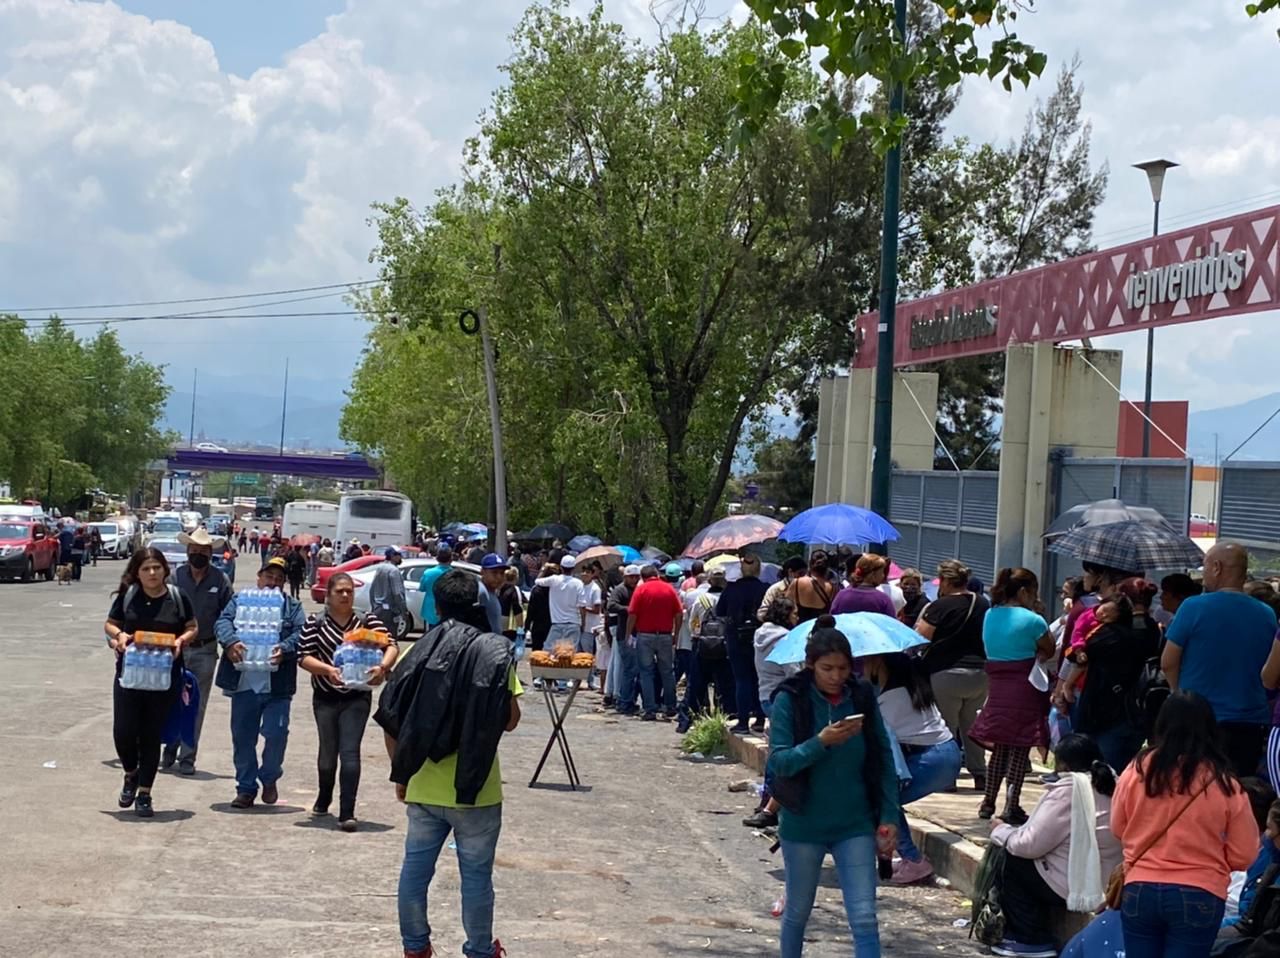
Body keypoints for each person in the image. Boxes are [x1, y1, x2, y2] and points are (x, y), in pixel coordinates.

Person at [376, 570, 520, 958]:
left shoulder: (415, 652)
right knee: (476, 878)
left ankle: (415, 947)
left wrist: (401, 773)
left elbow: (391, 716)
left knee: (415, 873)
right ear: (476, 604)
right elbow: (510, 718)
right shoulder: (494, 651)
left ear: (435, 607)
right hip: (478, 790)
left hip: (423, 785)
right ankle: (479, 950)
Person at [767, 624, 900, 957]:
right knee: (797, 912)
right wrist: (820, 743)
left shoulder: (862, 695)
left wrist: (888, 815)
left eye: (843, 668)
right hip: (803, 824)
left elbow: (884, 758)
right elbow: (780, 763)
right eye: (827, 669)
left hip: (854, 823)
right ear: (810, 665)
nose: (836, 676)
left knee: (865, 917)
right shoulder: (791, 698)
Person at [1110, 690, 1259, 958]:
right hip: (1200, 893)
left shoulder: (1137, 770)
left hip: (1140, 887)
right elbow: (1245, 854)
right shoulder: (1225, 784)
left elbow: (1118, 828)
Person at [985, 734, 1123, 958]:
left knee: (1011, 858)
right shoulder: (1116, 783)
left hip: (1078, 886)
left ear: (1063, 765)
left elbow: (1029, 844)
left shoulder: (1068, 790)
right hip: (1109, 882)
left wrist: (1000, 830)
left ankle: (1028, 938)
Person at [1166, 542, 1277, 778]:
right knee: (1237, 790)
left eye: (1205, 566)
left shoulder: (1192, 607)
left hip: (1196, 718)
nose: (1203, 572)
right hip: (1249, 722)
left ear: (1217, 567)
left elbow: (1168, 661)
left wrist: (1178, 692)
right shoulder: (1267, 614)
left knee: (1192, 789)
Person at [297, 571, 397, 831]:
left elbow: (392, 646)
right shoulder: (316, 622)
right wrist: (328, 670)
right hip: (325, 697)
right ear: (328, 594)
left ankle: (347, 812)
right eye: (339, 591)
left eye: (349, 591)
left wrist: (382, 668)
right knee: (328, 754)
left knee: (350, 752)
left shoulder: (367, 621)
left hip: (357, 697)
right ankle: (324, 796)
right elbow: (304, 656)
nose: (345, 595)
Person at [104, 548, 198, 817]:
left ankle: (145, 793)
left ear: (165, 570)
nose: (152, 573)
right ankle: (130, 774)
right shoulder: (129, 596)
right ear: (137, 573)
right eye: (146, 569)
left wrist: (181, 640)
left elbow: (192, 626)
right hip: (130, 676)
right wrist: (120, 635)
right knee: (123, 732)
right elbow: (110, 624)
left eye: (157, 567)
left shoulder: (177, 598)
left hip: (163, 678)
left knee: (150, 735)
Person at [862, 651, 962, 885]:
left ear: (879, 663)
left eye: (866, 660)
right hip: (943, 756)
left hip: (934, 759)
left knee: (883, 800)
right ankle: (905, 856)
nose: (863, 665)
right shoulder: (909, 689)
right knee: (886, 799)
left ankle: (914, 861)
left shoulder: (892, 699)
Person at [214, 556, 306, 809]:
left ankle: (269, 776)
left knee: (276, 734)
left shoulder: (292, 607)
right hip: (243, 682)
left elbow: (301, 632)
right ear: (259, 577)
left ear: (284, 583)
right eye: (269, 577)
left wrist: (285, 649)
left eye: (278, 579)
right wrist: (231, 642)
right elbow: (222, 622)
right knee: (243, 738)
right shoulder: (241, 601)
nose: (272, 583)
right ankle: (245, 788)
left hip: (277, 685)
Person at [969, 567, 1054, 823]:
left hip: (997, 685)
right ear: (1024, 591)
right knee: (1020, 747)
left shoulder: (990, 615)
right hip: (1024, 686)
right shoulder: (1033, 620)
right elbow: (1048, 649)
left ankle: (988, 802)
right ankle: (1011, 805)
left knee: (1000, 747)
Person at [1069, 578, 1161, 773]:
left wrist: (1067, 685)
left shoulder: (1108, 632)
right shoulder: (1154, 629)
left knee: (1097, 777)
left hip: (1104, 713)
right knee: (1122, 775)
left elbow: (1080, 658)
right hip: (1138, 711)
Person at [163, 528, 234, 775]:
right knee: (170, 700)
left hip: (205, 649)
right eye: (194, 550)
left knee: (196, 704)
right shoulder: (175, 577)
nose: (198, 554)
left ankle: (188, 757)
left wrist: (231, 644)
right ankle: (170, 747)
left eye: (203, 551)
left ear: (210, 553)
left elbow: (229, 615)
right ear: (188, 551)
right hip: (176, 649)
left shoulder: (220, 580)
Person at [915, 559, 990, 791]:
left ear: (946, 581)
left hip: (945, 672)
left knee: (947, 728)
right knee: (972, 727)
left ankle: (948, 778)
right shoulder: (982, 603)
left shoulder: (940, 606)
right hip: (979, 672)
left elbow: (921, 638)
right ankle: (980, 774)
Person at [742, 595, 802, 829]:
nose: (796, 618)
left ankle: (768, 801)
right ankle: (771, 803)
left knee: (776, 750)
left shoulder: (761, 634)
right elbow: (793, 672)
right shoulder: (784, 639)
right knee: (782, 753)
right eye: (794, 613)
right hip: (782, 699)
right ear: (785, 615)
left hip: (766, 696)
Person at [717, 554, 770, 733]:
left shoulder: (731, 589)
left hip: (735, 637)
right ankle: (760, 718)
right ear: (759, 569)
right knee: (759, 678)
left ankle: (743, 721)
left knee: (741, 680)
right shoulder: (765, 588)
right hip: (760, 637)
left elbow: (720, 611)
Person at [626, 562, 684, 721]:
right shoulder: (669, 589)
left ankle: (650, 708)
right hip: (665, 635)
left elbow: (632, 614)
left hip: (645, 635)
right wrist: (676, 633)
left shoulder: (641, 590)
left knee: (646, 672)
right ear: (657, 575)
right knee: (667, 671)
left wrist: (628, 633)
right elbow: (679, 613)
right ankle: (670, 706)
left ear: (643, 578)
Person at [606, 565, 641, 714]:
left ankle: (628, 699)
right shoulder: (620, 590)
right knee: (628, 669)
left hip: (637, 633)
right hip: (624, 634)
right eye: (631, 577)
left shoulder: (638, 589)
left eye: (636, 577)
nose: (634, 579)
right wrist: (629, 609)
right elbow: (611, 605)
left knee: (634, 669)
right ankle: (623, 701)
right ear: (625, 577)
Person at [535, 555, 585, 651]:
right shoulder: (578, 583)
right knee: (570, 654)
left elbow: (537, 581)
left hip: (557, 623)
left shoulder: (554, 579)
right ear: (573, 568)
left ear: (561, 568)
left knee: (549, 653)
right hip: (574, 623)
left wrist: (544, 568)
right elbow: (582, 606)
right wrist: (582, 623)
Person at [830, 554, 897, 617]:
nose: (883, 576)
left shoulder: (842, 595)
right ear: (873, 574)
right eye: (882, 572)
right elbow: (891, 625)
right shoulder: (883, 600)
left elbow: (833, 618)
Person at [368, 547, 410, 639]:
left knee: (378, 639)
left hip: (378, 609)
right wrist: (403, 611)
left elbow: (372, 590)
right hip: (390, 611)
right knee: (390, 639)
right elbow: (397, 593)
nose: (401, 557)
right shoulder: (394, 571)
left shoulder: (380, 568)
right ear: (392, 556)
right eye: (399, 555)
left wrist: (374, 605)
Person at [785, 551, 837, 622]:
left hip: (800, 628)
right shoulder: (833, 588)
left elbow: (785, 605)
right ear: (827, 567)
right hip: (820, 629)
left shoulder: (797, 582)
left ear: (809, 564)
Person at [578, 560, 604, 688]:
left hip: (590, 626)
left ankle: (591, 680)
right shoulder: (579, 586)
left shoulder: (595, 589)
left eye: (587, 572)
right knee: (578, 654)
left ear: (592, 574)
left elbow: (597, 609)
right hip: (579, 625)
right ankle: (578, 680)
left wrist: (583, 608)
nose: (584, 574)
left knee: (588, 655)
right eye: (583, 572)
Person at [759, 556, 808, 621]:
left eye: (805, 575)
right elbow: (762, 613)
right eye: (800, 574)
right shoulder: (775, 589)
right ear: (790, 572)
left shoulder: (806, 589)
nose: (803, 577)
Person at [418, 546, 454, 630]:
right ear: (451, 559)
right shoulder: (454, 574)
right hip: (448, 610)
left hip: (430, 610)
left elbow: (422, 588)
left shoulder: (428, 573)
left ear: (437, 558)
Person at [526, 562, 554, 656]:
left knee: (536, 652)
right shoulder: (556, 590)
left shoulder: (536, 589)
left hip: (538, 624)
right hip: (552, 624)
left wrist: (527, 625)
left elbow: (531, 609)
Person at [498, 566, 524, 645]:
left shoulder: (498, 587)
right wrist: (520, 628)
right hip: (508, 625)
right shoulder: (515, 589)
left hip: (496, 620)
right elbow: (517, 608)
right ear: (516, 577)